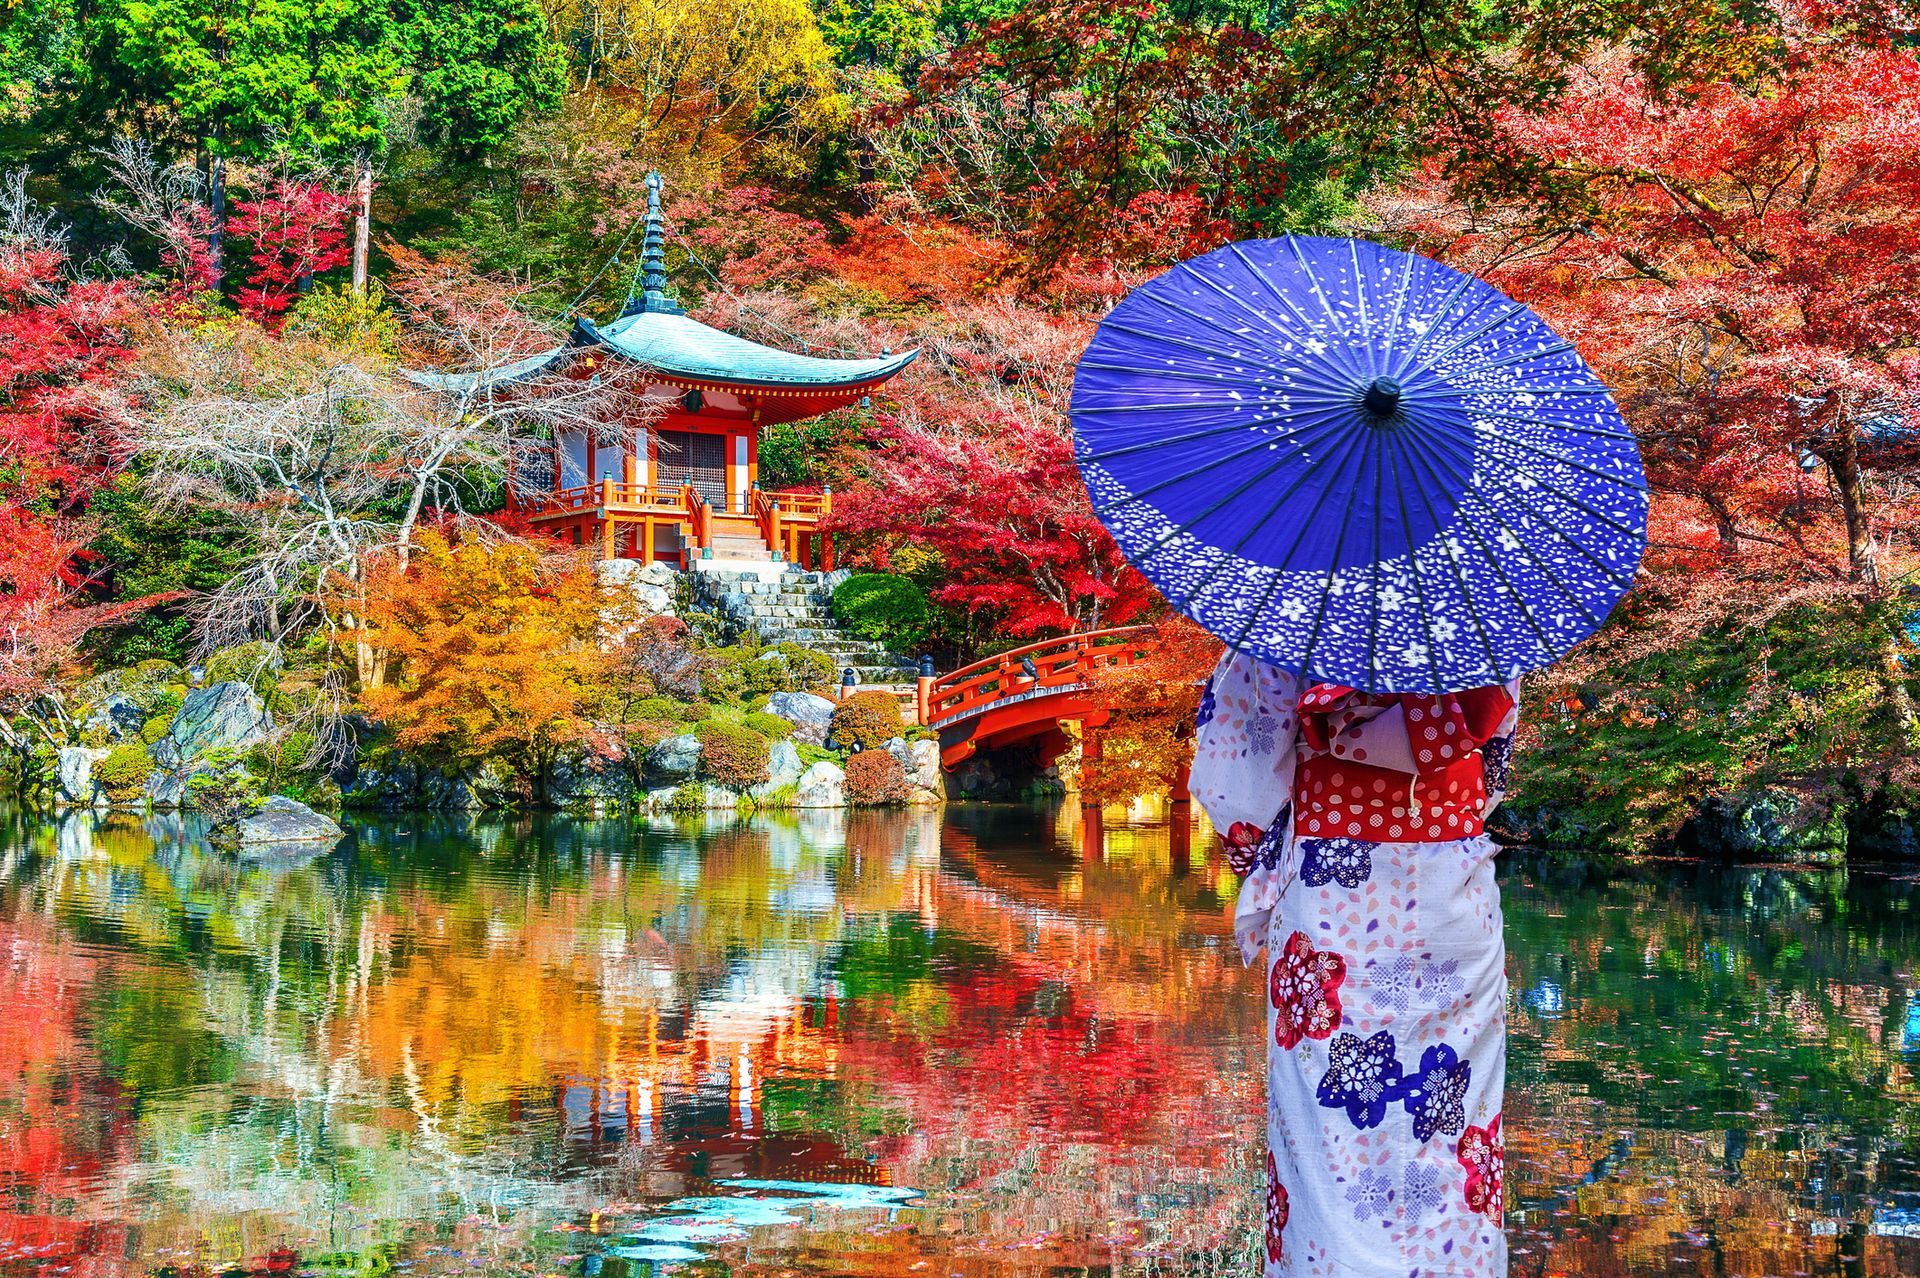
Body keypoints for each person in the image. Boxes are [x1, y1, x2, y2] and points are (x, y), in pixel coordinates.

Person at [1189, 652, 1519, 1277]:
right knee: (1453, 1133)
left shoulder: (1293, 616)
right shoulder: (1477, 617)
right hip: (1453, 891)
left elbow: (1237, 779)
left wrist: (1262, 856)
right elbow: (1492, 766)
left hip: (1331, 903)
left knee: (1327, 1144)